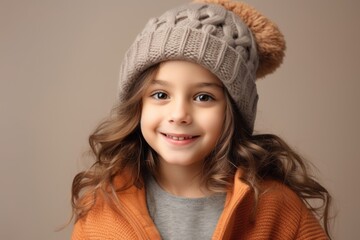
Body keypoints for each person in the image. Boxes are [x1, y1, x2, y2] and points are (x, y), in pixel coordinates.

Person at [71, 0, 332, 239]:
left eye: (203, 97)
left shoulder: (278, 209)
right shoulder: (102, 211)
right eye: (161, 94)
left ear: (233, 110)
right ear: (137, 104)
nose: (179, 115)